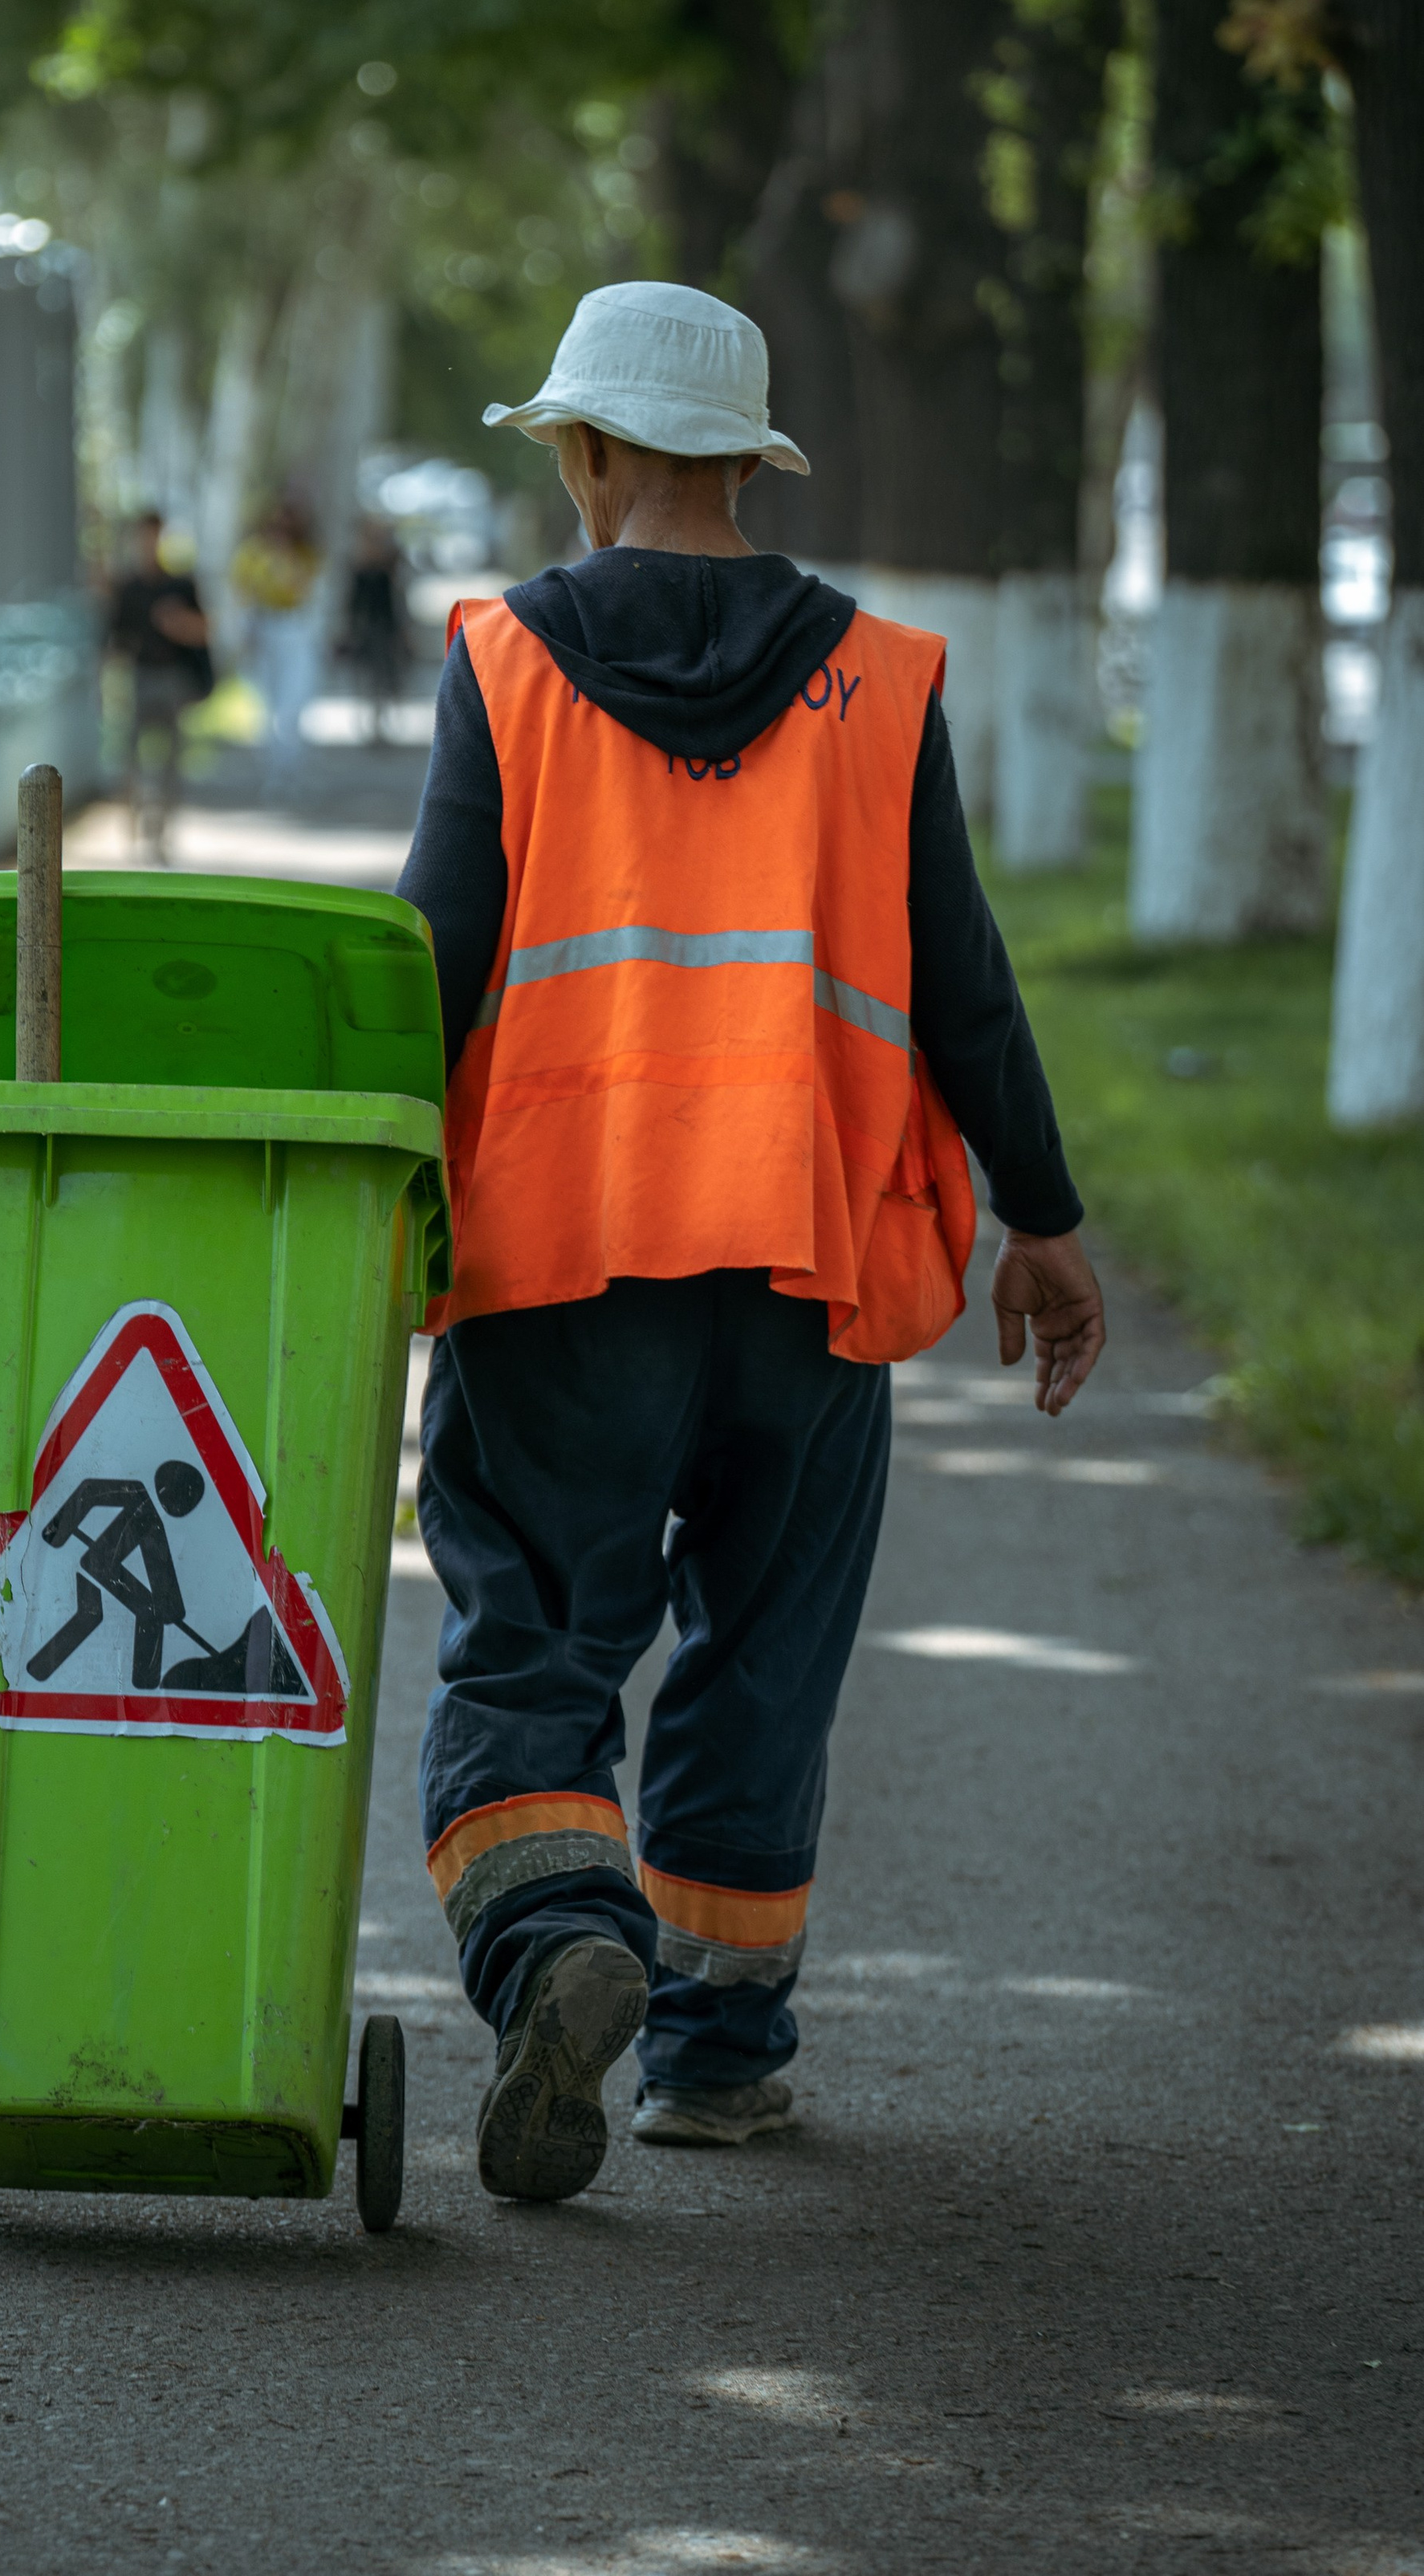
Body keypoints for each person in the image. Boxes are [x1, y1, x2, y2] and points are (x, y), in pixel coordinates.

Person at [396, 279, 1105, 2206]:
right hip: (807, 1266)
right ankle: (712, 2051)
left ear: (596, 455)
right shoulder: (876, 677)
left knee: (532, 1630)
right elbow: (961, 987)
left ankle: (558, 1946)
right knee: (761, 1649)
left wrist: (370, 1202)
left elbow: (431, 963)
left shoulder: (503, 660)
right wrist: (1038, 1218)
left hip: (557, 1262)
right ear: (734, 457)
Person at [103, 511, 212, 861]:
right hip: (140, 678)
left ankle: (162, 832)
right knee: (130, 759)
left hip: (173, 679)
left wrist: (177, 624)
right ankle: (134, 825)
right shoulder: (128, 588)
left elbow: (205, 631)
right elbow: (114, 643)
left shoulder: (180, 585)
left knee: (170, 762)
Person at [230, 499, 323, 796]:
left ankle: (289, 767)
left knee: (292, 704)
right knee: (266, 705)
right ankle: (272, 768)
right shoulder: (252, 555)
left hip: (295, 629)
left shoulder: (306, 557)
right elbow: (242, 595)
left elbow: (306, 590)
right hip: (263, 630)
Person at [337, 517, 411, 742]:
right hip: (365, 629)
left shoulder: (390, 565)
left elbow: (398, 601)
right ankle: (369, 724)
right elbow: (351, 602)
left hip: (387, 628)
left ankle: (383, 723)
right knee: (366, 678)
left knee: (388, 678)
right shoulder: (358, 565)